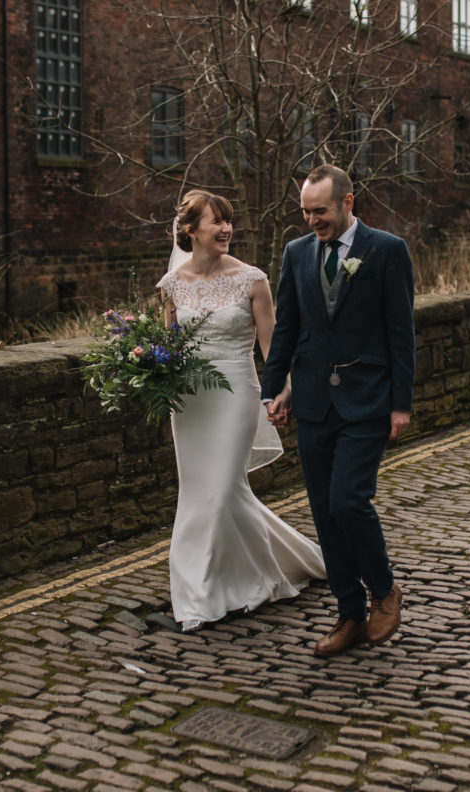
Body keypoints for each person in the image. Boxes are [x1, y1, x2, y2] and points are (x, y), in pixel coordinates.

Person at [261, 164, 415, 657]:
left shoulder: (387, 250)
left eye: (320, 211)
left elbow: (400, 334)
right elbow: (287, 330)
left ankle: (384, 589)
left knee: (349, 500)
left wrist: (400, 403)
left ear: (348, 203)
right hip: (313, 400)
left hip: (368, 397)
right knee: (325, 514)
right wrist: (275, 391)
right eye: (305, 211)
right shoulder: (296, 253)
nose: (312, 221)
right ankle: (349, 613)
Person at [156, 190, 326, 631]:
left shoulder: (253, 279)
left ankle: (202, 592)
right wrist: (144, 368)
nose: (227, 228)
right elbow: (169, 350)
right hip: (190, 401)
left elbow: (273, 348)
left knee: (220, 492)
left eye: (229, 221)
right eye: (217, 221)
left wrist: (280, 393)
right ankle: (262, 569)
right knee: (204, 494)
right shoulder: (171, 285)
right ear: (191, 231)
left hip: (236, 394)